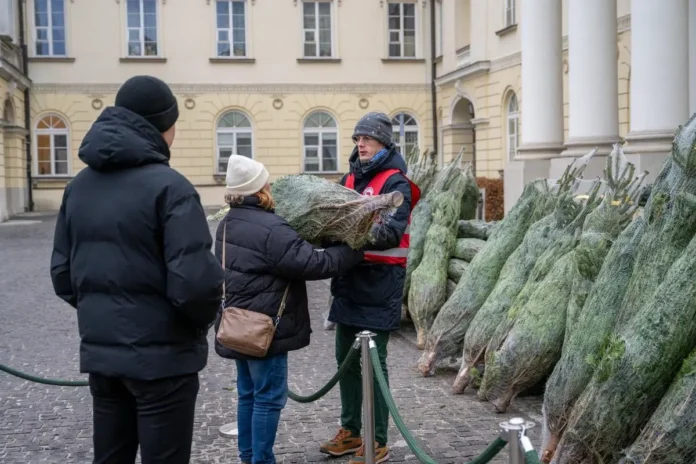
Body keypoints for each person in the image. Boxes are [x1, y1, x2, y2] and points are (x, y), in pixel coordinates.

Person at [50, 75, 224, 464]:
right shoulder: (171, 187)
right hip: (164, 360)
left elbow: (63, 275)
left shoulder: (78, 187)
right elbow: (195, 284)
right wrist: (194, 326)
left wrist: (108, 316)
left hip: (104, 356)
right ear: (164, 126)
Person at [215, 154, 365, 464]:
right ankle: (261, 460)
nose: (270, 185)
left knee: (247, 395)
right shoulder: (272, 227)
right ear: (259, 189)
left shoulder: (227, 223)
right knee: (268, 399)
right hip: (264, 328)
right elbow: (314, 263)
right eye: (265, 181)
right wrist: (353, 249)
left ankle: (248, 457)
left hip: (236, 324)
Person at [320, 112, 420, 464]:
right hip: (348, 283)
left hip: (380, 285)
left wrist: (345, 232)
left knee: (374, 365)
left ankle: (376, 440)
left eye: (368, 138)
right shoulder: (349, 179)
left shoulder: (397, 183)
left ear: (384, 143)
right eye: (357, 138)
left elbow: (390, 233)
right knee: (344, 361)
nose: (360, 144)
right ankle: (351, 431)